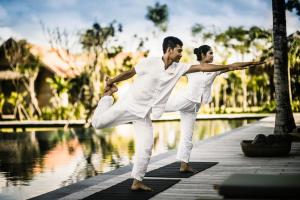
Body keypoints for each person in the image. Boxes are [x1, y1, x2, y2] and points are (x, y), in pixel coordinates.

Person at [91, 36, 263, 191]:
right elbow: (130, 73)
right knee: (97, 124)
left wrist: (234, 65)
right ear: (169, 50)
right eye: (179, 50)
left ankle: (137, 181)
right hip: (130, 105)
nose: (181, 54)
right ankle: (107, 97)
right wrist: (112, 82)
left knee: (146, 147)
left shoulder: (180, 68)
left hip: (145, 114)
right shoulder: (150, 62)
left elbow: (202, 67)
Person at [164, 44, 243, 173]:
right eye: (210, 53)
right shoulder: (191, 67)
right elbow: (169, 68)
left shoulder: (215, 69)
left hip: (193, 107)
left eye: (212, 53)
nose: (212, 55)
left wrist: (253, 63)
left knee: (187, 136)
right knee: (160, 107)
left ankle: (184, 165)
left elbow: (233, 65)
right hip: (185, 100)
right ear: (202, 54)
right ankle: (141, 106)